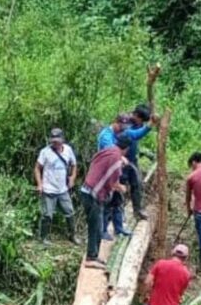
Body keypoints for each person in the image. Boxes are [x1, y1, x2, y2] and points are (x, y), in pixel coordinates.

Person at [79, 135, 131, 270]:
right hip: (93, 195)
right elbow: (112, 182)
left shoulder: (108, 150)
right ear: (126, 149)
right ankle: (91, 257)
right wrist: (122, 188)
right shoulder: (116, 160)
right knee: (95, 226)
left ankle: (94, 255)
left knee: (98, 225)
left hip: (87, 190)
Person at [34, 128, 79, 245]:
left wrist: (72, 178)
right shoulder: (45, 152)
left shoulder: (68, 150)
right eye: (53, 140)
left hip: (62, 189)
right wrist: (40, 184)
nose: (55, 143)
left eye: (57, 140)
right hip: (48, 189)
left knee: (70, 212)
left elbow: (74, 165)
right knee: (47, 215)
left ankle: (72, 235)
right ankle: (43, 238)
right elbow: (37, 168)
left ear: (62, 139)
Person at [119, 104, 158, 221]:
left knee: (137, 183)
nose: (142, 123)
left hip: (132, 160)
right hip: (121, 160)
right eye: (141, 120)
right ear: (136, 115)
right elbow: (135, 135)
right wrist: (149, 126)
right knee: (120, 186)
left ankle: (138, 210)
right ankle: (118, 214)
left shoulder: (138, 123)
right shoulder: (125, 122)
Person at [97, 114, 133, 238]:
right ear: (116, 122)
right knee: (107, 203)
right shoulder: (106, 136)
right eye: (121, 126)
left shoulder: (119, 134)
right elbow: (111, 152)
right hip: (106, 174)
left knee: (117, 202)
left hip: (116, 172)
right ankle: (103, 230)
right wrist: (122, 157)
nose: (123, 128)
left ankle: (119, 228)